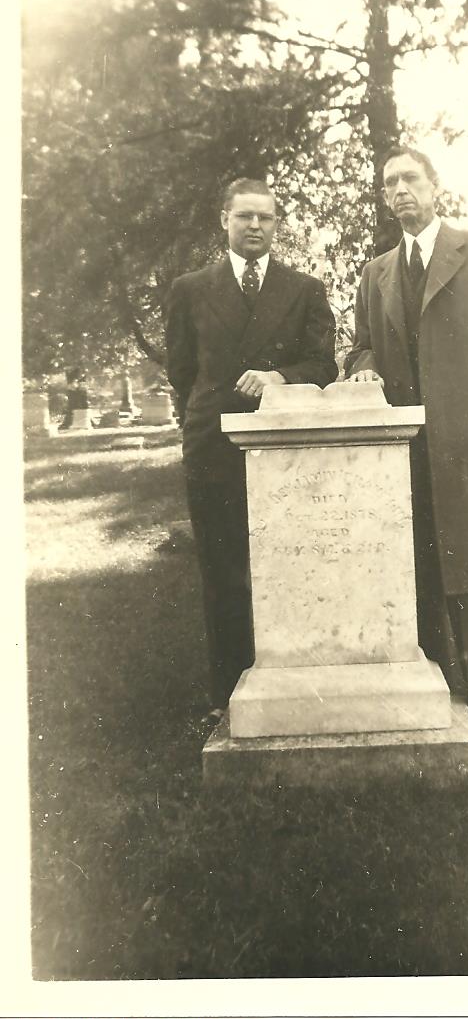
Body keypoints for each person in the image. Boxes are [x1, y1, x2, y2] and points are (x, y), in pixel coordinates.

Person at [345, 145, 468, 737]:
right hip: (403, 445)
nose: (400, 190)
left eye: (410, 179)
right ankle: (434, 682)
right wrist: (365, 369)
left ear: (434, 187)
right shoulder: (376, 272)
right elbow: (361, 345)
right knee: (417, 566)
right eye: (389, 183)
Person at [166, 177, 338, 718]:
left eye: (265, 217)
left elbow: (324, 364)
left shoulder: (304, 289)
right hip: (213, 446)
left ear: (276, 223)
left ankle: (293, 681)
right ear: (225, 220)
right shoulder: (190, 289)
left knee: (289, 563)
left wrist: (277, 377)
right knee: (223, 571)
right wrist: (211, 409)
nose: (255, 226)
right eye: (245, 216)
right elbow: (182, 371)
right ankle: (230, 694)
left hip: (284, 448)